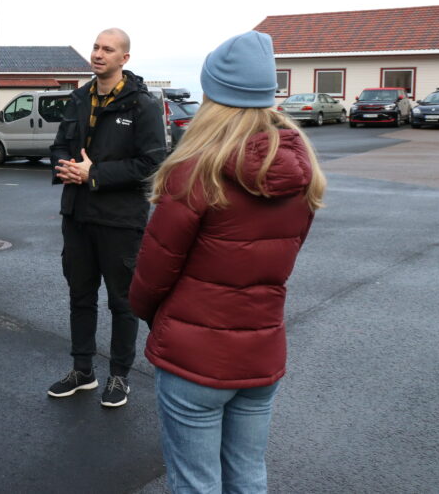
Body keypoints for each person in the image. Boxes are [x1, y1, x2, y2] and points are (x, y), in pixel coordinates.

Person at [130, 31, 326, 493]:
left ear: (214, 96)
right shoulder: (304, 173)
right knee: (248, 475)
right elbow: (283, 259)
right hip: (262, 350)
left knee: (195, 482)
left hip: (194, 357)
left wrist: (151, 315)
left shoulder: (194, 170)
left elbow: (154, 272)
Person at [47, 28, 167, 407]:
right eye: (96, 47)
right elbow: (61, 145)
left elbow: (152, 163)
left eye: (107, 49)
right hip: (77, 215)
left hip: (120, 220)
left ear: (124, 59)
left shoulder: (142, 105)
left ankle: (119, 376)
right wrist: (63, 167)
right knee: (80, 296)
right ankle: (83, 371)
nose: (98, 54)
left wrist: (93, 174)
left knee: (122, 301)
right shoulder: (79, 98)